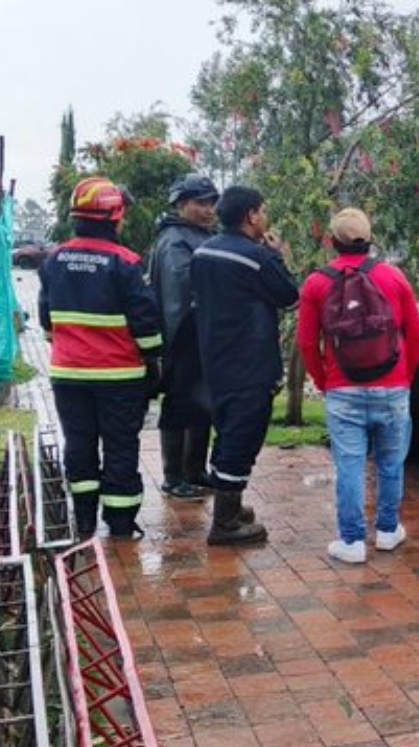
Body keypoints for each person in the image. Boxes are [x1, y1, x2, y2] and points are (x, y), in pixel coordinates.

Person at [297, 208, 419, 564]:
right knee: (390, 463)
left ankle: (351, 541)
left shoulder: (316, 284)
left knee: (350, 466)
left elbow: (307, 343)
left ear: (331, 242)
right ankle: (387, 531)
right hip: (394, 387)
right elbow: (415, 333)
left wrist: (325, 382)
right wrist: (406, 377)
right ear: (370, 240)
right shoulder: (394, 277)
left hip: (343, 390)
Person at [38, 177, 163, 539]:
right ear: (115, 217)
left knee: (79, 443)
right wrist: (153, 363)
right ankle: (121, 524)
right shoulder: (124, 262)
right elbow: (146, 324)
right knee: (120, 445)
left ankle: (85, 520)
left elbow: (47, 319)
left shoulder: (54, 259)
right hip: (118, 376)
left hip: (68, 374)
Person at [190, 186, 299, 545]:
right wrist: (277, 254)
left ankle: (231, 506)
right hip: (250, 364)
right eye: (262, 210)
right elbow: (289, 295)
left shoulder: (203, 251)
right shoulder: (256, 258)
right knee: (242, 438)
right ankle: (225, 523)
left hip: (215, 360)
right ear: (251, 215)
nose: (265, 216)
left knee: (227, 431)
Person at [147, 174, 220, 501]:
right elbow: (182, 293)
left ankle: (195, 470)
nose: (208, 210)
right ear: (181, 204)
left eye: (211, 203)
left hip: (203, 337)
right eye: (200, 203)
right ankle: (173, 476)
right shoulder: (176, 239)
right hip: (183, 337)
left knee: (202, 405)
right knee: (179, 405)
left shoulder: (199, 235)